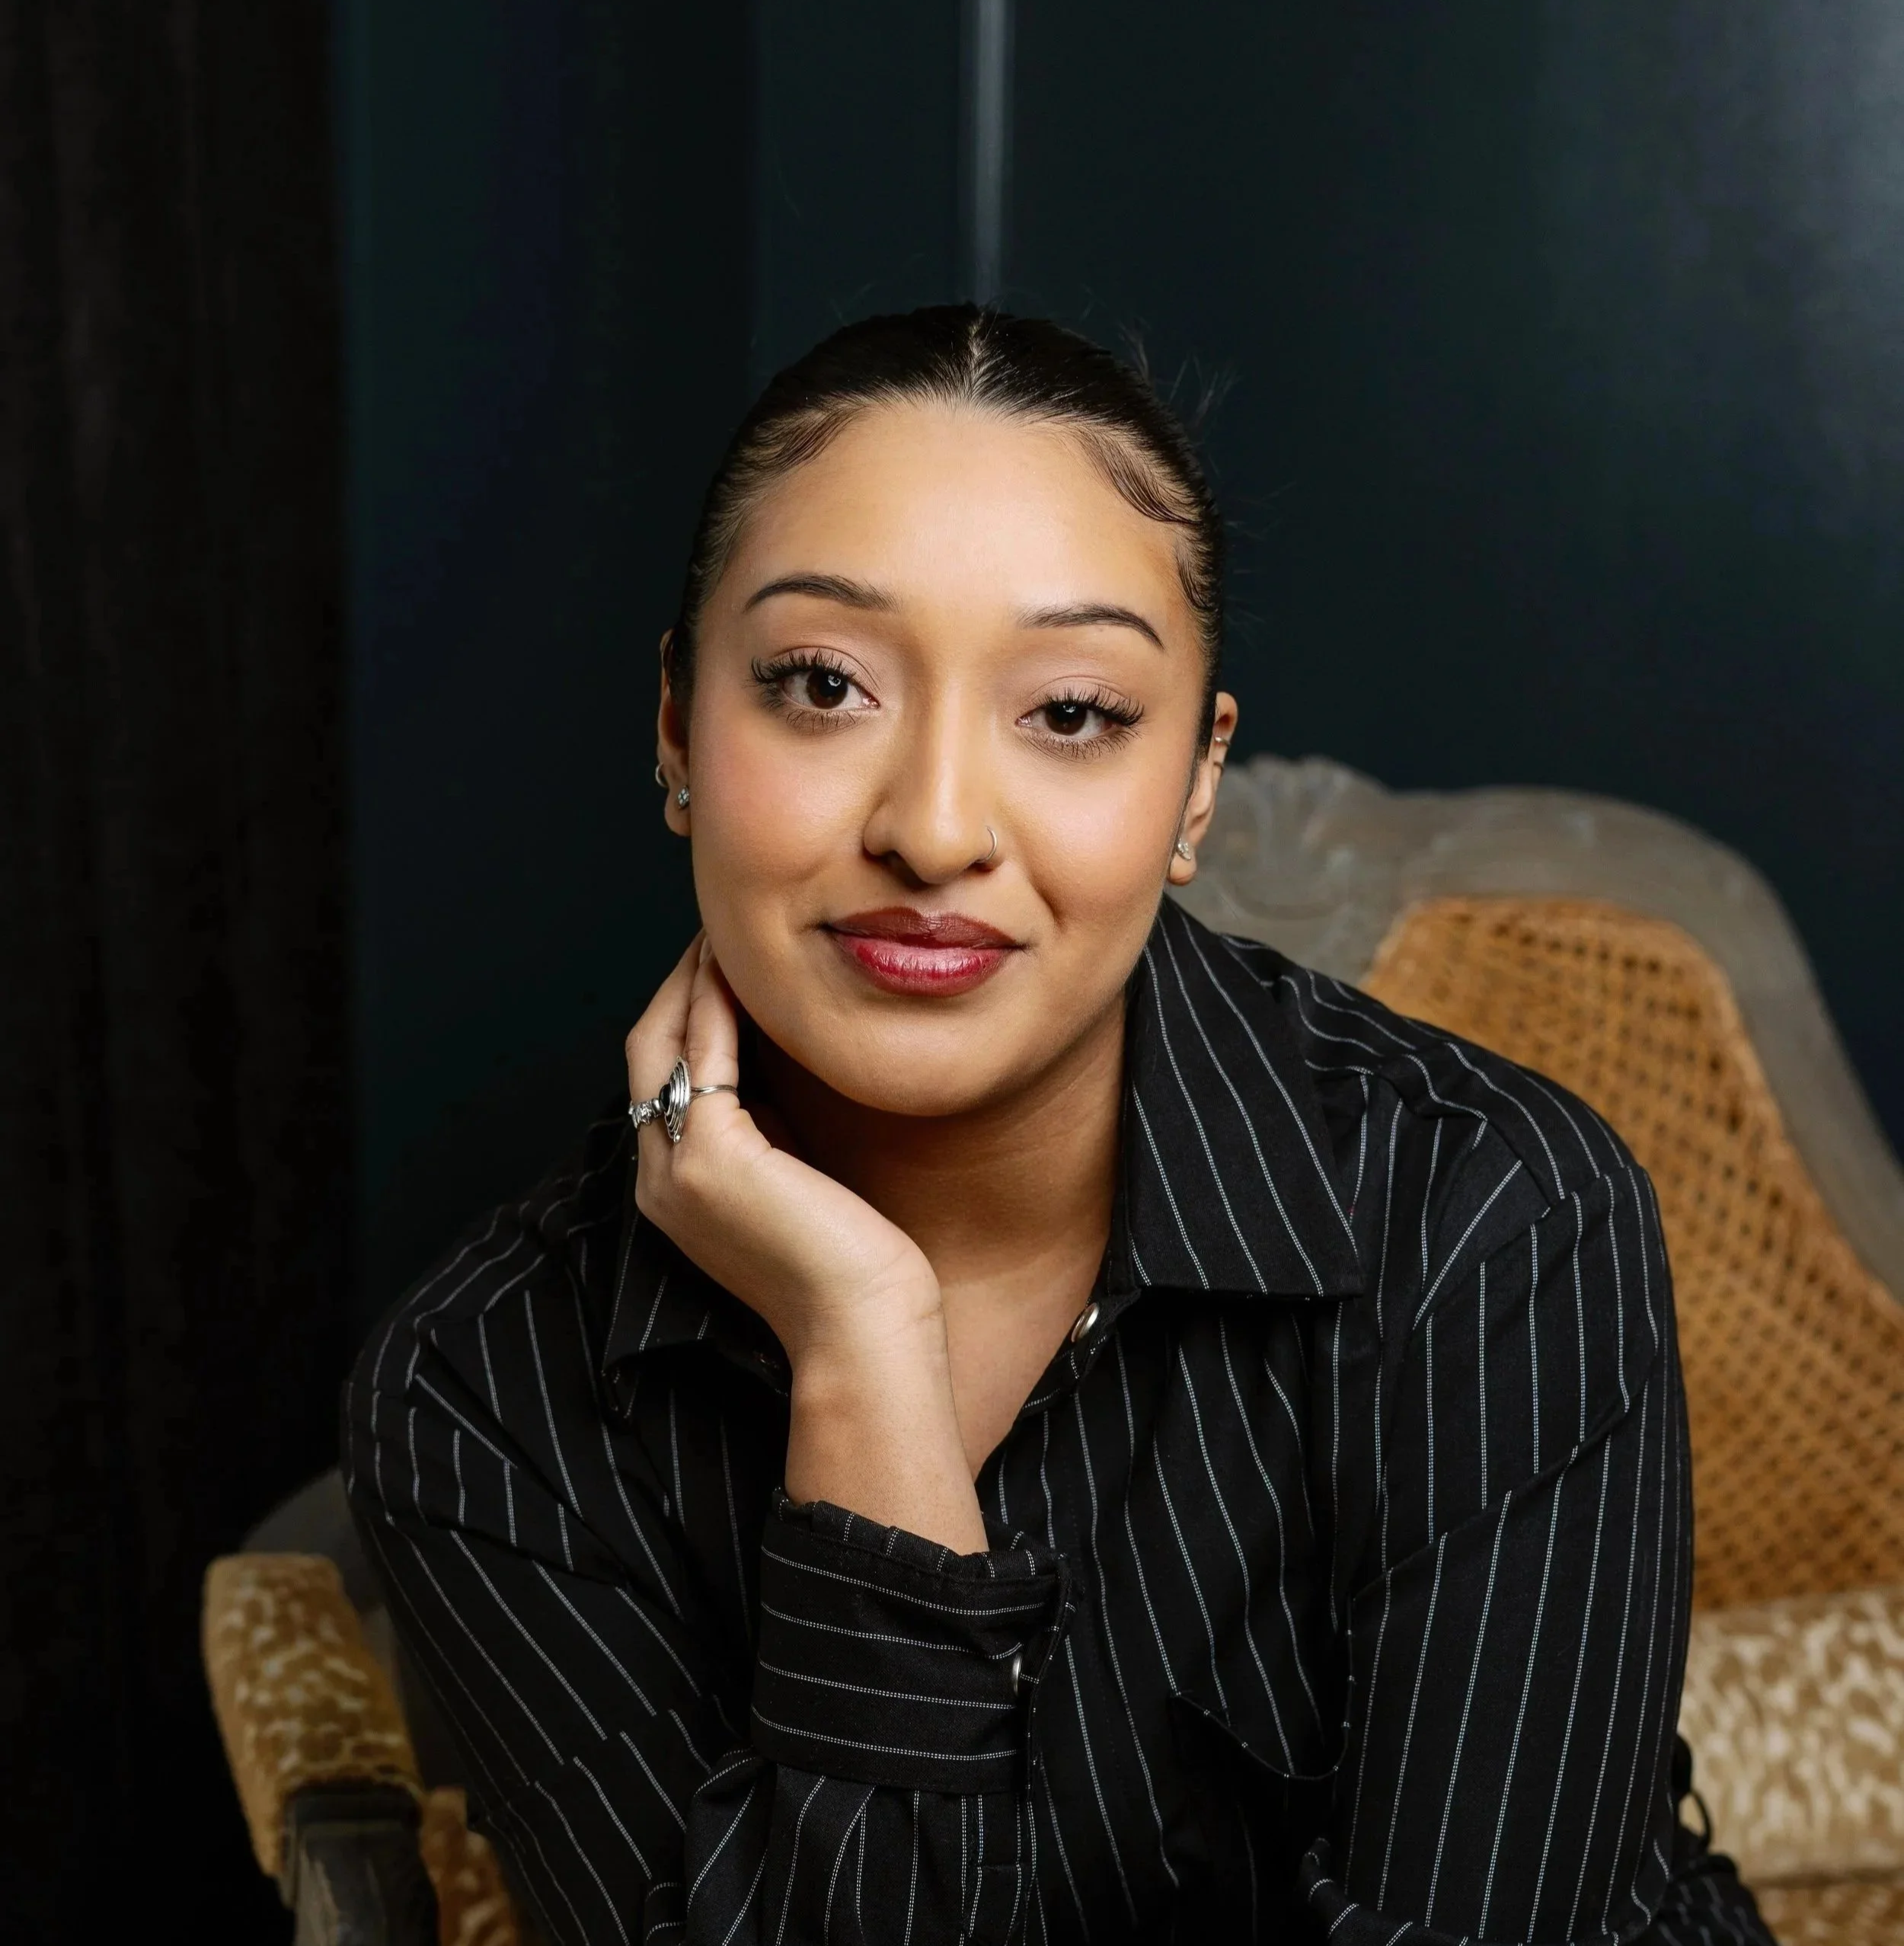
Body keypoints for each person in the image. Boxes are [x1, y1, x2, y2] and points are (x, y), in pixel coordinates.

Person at [346, 307, 1771, 1944]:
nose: (935, 827)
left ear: (1196, 783)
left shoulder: (1489, 1218)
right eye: (823, 684)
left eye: (1073, 712)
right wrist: (862, 1348)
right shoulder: (480, 1391)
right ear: (677, 726)